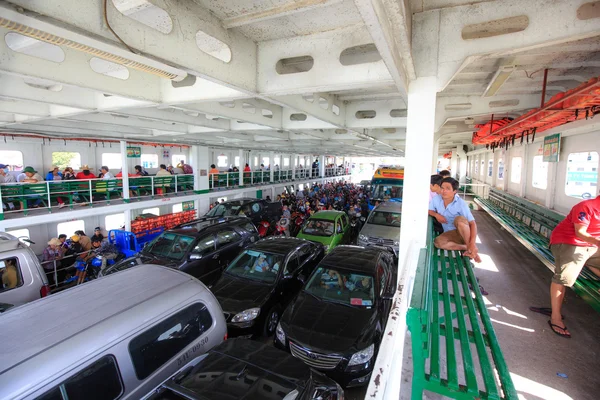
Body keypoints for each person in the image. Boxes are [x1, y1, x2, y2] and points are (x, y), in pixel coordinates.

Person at [544, 195, 600, 338]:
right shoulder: (587, 206)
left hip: (591, 246)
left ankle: (584, 261)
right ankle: (555, 317)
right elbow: (580, 232)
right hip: (568, 241)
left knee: (583, 259)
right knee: (564, 278)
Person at [428, 177, 481, 262]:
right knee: (438, 242)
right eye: (442, 188)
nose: (444, 191)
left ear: (454, 191)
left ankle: (470, 248)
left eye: (448, 188)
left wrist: (472, 243)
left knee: (459, 219)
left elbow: (473, 223)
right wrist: (436, 215)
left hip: (464, 233)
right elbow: (429, 210)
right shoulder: (436, 199)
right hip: (450, 233)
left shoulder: (461, 204)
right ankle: (468, 248)